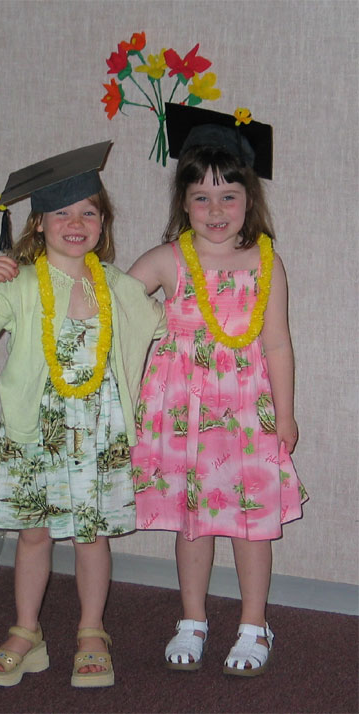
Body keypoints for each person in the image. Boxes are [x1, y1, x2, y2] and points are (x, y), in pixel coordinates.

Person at [0, 142, 165, 689]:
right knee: (34, 534)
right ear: (39, 223)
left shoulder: (114, 285)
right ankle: (27, 632)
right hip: (35, 435)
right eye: (61, 212)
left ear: (103, 224)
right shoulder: (22, 283)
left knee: (92, 537)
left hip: (97, 432)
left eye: (89, 212)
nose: (76, 223)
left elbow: (163, 324)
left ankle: (92, 631)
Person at [128, 104, 307, 677]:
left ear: (249, 200)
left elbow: (277, 344)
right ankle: (193, 619)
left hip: (248, 414)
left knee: (251, 523)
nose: (215, 210)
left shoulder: (267, 263)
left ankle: (254, 623)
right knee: (192, 520)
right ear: (183, 202)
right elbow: (117, 310)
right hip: (183, 413)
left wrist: (286, 415)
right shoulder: (166, 260)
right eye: (201, 197)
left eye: (228, 196)